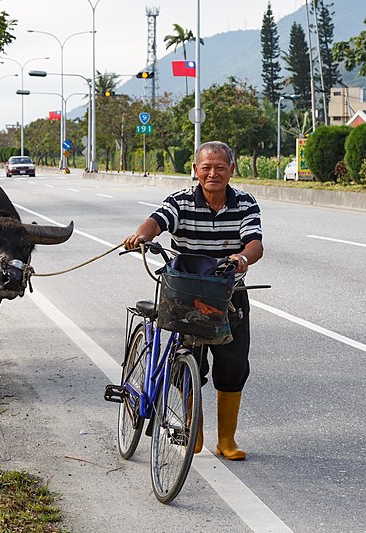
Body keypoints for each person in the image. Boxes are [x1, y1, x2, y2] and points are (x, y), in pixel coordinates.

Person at [124, 140, 263, 461]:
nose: (213, 173)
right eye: (206, 167)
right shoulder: (181, 201)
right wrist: (142, 236)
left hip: (229, 295)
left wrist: (243, 258)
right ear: (196, 170)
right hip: (185, 294)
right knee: (186, 364)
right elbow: (157, 220)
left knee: (233, 365)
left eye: (220, 167)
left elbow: (255, 243)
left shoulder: (245, 203)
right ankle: (193, 429)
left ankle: (227, 440)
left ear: (232, 169)